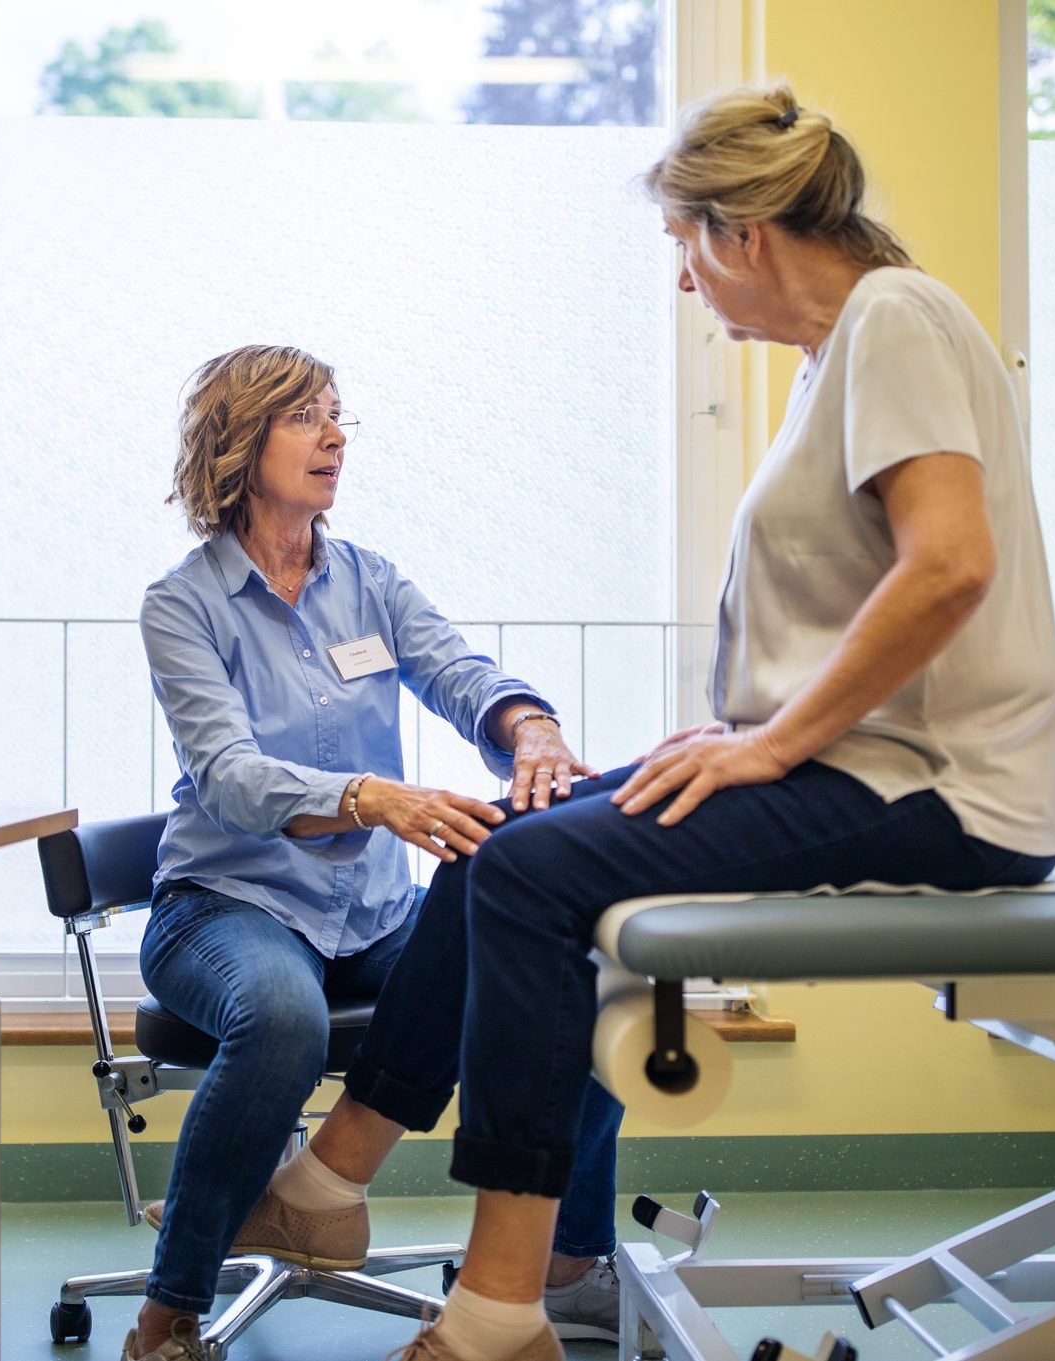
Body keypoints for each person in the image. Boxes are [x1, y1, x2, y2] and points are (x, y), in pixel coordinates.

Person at [243, 80, 1055, 1361]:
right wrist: (743, 731)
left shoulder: (893, 317)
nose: (685, 285)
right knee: (508, 826)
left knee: (527, 871)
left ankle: (493, 1303)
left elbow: (949, 564)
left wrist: (774, 741)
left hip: (940, 790)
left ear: (741, 232)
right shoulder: (840, 354)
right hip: (865, 761)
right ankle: (338, 1180)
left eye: (685, 248)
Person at [130, 344, 628, 1361]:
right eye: (307, 417)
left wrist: (529, 724)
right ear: (240, 439)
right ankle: (170, 1307)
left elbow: (459, 671)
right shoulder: (182, 604)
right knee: (280, 1017)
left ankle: (570, 1265)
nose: (336, 436)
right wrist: (369, 797)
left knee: (567, 981)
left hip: (371, 914)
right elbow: (227, 773)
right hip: (226, 905)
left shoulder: (370, 582)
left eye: (338, 415)